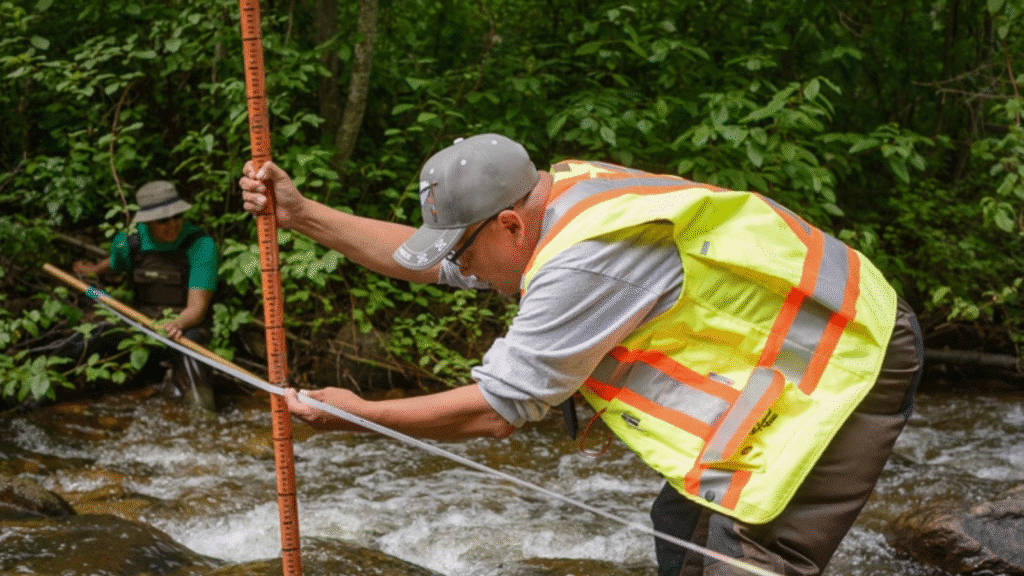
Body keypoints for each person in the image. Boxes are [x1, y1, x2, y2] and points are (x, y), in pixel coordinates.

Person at [238, 134, 923, 576]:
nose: (464, 274)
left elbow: (499, 410)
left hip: (851, 359)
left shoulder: (584, 261)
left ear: (510, 224)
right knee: (681, 521)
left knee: (749, 558)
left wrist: (362, 416)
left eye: (466, 255)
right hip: (800, 354)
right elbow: (432, 263)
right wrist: (303, 215)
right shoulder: (553, 195)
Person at [70, 180, 220, 411]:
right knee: (92, 331)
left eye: (177, 216)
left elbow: (197, 309)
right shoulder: (127, 243)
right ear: (147, 220)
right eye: (163, 219)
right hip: (140, 321)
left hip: (185, 325)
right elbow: (113, 263)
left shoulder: (201, 245)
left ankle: (203, 416)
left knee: (190, 344)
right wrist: (92, 270)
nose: (173, 224)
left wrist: (176, 324)